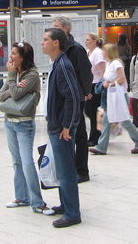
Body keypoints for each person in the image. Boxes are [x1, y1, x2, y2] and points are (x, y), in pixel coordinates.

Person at [0, 42, 55, 215]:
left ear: (23, 57)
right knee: (16, 162)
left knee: (27, 162)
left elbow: (14, 94)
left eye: (14, 53)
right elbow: (1, 96)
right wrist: (12, 86)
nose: (11, 56)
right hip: (9, 122)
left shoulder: (32, 76)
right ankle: (21, 197)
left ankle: (37, 202)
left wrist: (11, 82)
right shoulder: (14, 74)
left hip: (24, 124)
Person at [40, 27, 81, 228]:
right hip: (56, 125)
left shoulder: (63, 65)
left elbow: (73, 97)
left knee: (66, 172)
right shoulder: (56, 64)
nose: (42, 43)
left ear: (56, 43)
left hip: (62, 129)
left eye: (45, 39)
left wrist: (68, 125)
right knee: (61, 169)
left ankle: (73, 213)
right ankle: (66, 205)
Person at [52, 16, 93, 185]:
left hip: (75, 97)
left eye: (57, 27)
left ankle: (82, 171)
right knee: (72, 132)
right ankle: (72, 169)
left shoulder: (75, 49)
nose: (53, 30)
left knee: (80, 133)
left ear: (66, 29)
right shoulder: (61, 49)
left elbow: (85, 72)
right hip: (65, 98)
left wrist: (84, 92)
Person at [90, 43, 138, 156]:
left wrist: (108, 84)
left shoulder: (116, 63)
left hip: (117, 96)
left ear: (109, 52)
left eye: (104, 51)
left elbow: (122, 79)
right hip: (111, 97)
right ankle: (102, 147)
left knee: (123, 120)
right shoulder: (110, 63)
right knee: (108, 121)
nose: (102, 53)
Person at [84, 33, 105, 147]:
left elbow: (102, 72)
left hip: (97, 84)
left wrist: (102, 87)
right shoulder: (89, 53)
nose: (86, 42)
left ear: (95, 41)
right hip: (90, 84)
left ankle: (95, 136)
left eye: (88, 40)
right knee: (90, 111)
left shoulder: (98, 53)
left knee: (94, 112)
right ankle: (96, 135)